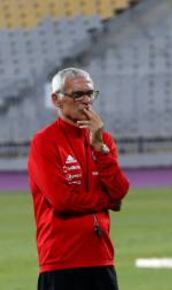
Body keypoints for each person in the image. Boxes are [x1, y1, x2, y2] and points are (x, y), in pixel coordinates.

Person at [28, 68, 130, 290]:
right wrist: (107, 201)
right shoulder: (44, 142)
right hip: (60, 262)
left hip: (101, 259)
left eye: (90, 93)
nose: (86, 101)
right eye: (77, 94)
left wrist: (99, 148)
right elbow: (62, 201)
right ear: (57, 100)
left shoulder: (104, 141)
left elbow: (120, 191)